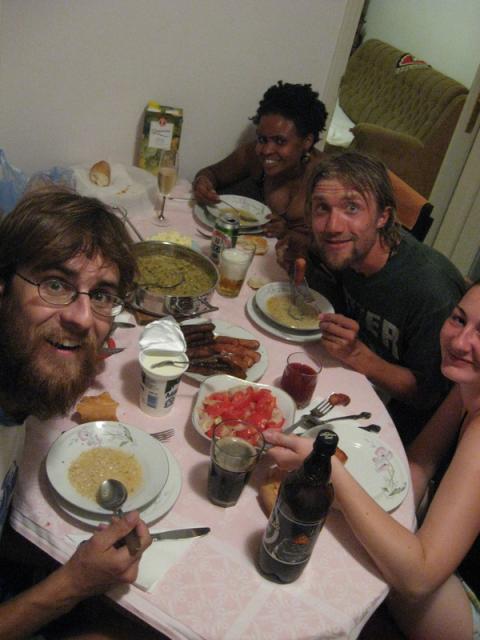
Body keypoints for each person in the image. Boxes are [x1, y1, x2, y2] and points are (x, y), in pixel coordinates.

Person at [264, 280, 480, 640]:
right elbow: (418, 466)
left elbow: (419, 578)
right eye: (459, 319)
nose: (460, 342)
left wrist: (329, 470)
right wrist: (360, 508)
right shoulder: (468, 385)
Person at [0, 187, 159, 640]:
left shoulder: (17, 388)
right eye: (55, 284)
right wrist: (72, 585)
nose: (84, 318)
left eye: (102, 295)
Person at [279, 152, 466, 443]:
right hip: (345, 382)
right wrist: (298, 257)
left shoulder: (432, 292)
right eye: (322, 208)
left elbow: (427, 395)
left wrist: (357, 354)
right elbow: (316, 269)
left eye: (352, 208)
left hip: (396, 426)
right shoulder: (340, 249)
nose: (333, 226)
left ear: (383, 216)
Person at [192, 81, 328, 238]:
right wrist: (202, 182)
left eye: (280, 141)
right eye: (262, 139)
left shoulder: (328, 176)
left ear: (307, 141)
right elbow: (211, 173)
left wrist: (288, 234)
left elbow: (331, 244)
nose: (266, 150)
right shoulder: (253, 155)